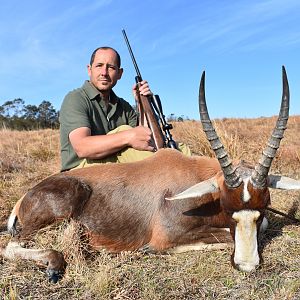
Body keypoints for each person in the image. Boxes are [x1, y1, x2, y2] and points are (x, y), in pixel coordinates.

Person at [59, 46, 190, 172]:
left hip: (113, 163)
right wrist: (128, 136)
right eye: (99, 66)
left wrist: (142, 104)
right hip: (80, 170)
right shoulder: (75, 98)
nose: (104, 73)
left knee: (182, 148)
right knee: (126, 130)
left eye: (111, 67)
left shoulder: (123, 105)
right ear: (89, 69)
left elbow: (145, 138)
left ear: (120, 73)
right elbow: (82, 147)